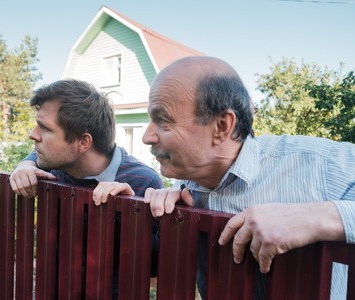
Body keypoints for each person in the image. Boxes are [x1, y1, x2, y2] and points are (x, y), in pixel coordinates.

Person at [140, 56, 355, 299]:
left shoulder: (319, 164)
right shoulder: (187, 183)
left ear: (222, 126)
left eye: (163, 121)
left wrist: (316, 217)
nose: (147, 137)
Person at [9, 79, 163, 299]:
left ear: (83, 142)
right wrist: (25, 163)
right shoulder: (56, 164)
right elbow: (38, 155)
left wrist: (128, 214)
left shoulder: (142, 181)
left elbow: (156, 267)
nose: (33, 135)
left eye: (44, 128)